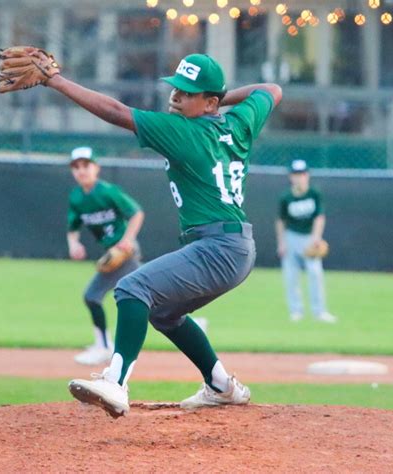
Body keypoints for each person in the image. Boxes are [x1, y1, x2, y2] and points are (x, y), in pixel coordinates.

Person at [44, 52, 281, 417]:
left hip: (217, 247)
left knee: (131, 289)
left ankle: (116, 382)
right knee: (165, 314)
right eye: (177, 88)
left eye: (188, 93)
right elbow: (271, 89)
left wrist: (56, 81)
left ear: (209, 102)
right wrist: (221, 96)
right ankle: (222, 386)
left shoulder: (184, 131)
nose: (176, 96)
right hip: (235, 247)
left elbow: (117, 112)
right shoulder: (239, 122)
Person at [67, 146, 145, 365]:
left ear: (96, 168)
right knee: (153, 300)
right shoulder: (76, 197)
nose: (81, 171)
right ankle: (194, 322)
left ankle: (103, 347)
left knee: (92, 295)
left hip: (125, 253)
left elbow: (136, 212)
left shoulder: (108, 191)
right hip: (113, 254)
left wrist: (127, 239)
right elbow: (73, 226)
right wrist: (73, 243)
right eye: (76, 167)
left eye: (86, 165)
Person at [275, 159, 337, 323]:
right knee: (291, 276)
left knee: (315, 274)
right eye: (295, 174)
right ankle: (296, 311)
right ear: (291, 177)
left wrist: (316, 238)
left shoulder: (314, 194)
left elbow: (319, 217)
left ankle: (320, 312)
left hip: (310, 238)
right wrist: (281, 243)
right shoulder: (286, 197)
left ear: (307, 175)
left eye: (301, 174)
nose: (299, 178)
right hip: (291, 237)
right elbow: (281, 221)